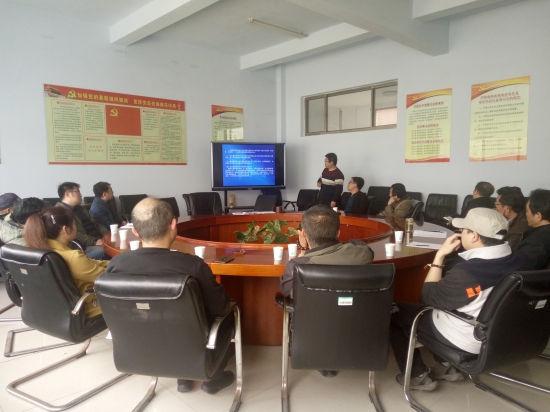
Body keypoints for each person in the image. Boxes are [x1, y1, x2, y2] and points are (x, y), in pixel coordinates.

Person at [390, 208, 533, 392]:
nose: (460, 233)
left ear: (474, 236)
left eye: (463, 229)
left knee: (395, 312)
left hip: (473, 339)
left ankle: (416, 376)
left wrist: (439, 256)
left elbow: (428, 297)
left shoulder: (468, 273)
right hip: (508, 336)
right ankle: (445, 366)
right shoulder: (523, 261)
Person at [105, 198, 234, 395]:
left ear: (135, 231)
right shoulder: (192, 265)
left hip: (138, 345)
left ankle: (183, 379)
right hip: (191, 346)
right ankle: (213, 379)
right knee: (231, 316)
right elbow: (221, 307)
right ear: (173, 224)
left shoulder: (116, 265)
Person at [280, 204, 374, 378]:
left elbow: (287, 291)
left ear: (304, 234)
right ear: (338, 232)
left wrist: (303, 251)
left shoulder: (298, 265)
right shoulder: (363, 254)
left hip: (316, 327)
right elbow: (360, 245)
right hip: (355, 325)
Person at [23, 207, 108, 318]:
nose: (76, 227)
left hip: (55, 310)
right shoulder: (73, 257)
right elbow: (108, 278)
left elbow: (89, 262)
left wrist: (113, 263)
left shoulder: (42, 250)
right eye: (74, 224)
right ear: (65, 230)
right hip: (87, 307)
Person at [56, 182, 109, 260]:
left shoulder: (80, 209)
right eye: (78, 192)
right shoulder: (59, 212)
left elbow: (96, 223)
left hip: (98, 239)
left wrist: (107, 235)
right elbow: (74, 234)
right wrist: (94, 241)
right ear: (68, 194)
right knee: (105, 251)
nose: (81, 195)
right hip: (83, 246)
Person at [517, 189, 550, 269]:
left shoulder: (536, 243)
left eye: (527, 210)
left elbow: (519, 268)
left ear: (538, 216)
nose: (526, 214)